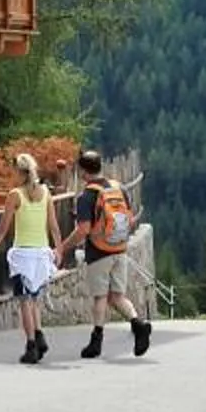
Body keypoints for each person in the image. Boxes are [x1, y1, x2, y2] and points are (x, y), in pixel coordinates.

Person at [58, 149, 152, 360]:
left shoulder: (87, 196)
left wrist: (63, 247)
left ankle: (96, 341)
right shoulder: (119, 188)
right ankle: (138, 324)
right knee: (117, 296)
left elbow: (83, 230)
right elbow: (130, 219)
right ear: (100, 167)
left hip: (99, 251)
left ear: (83, 171)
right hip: (120, 248)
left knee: (100, 297)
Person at [0, 151, 57, 364]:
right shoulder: (45, 192)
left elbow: (3, 228)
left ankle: (31, 344)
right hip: (41, 252)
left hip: (23, 254)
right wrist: (59, 248)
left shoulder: (15, 195)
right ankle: (39, 334)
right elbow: (53, 224)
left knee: (24, 300)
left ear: (19, 172)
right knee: (34, 298)